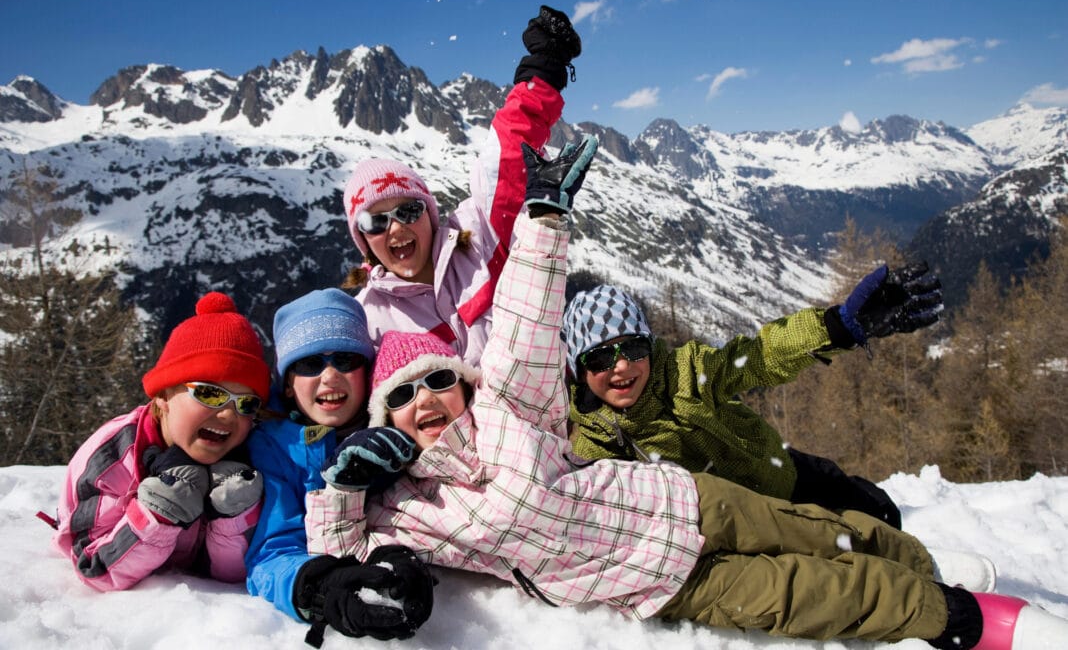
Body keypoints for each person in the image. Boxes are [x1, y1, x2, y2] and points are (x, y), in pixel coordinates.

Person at [303, 140, 1067, 649]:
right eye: (406, 395)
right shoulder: (405, 508)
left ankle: (925, 564)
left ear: (469, 385)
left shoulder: (512, 410)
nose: (430, 397)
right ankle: (957, 617)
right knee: (811, 591)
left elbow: (532, 320)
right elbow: (341, 551)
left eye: (443, 377)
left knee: (837, 529)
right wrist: (343, 482)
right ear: (385, 420)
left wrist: (541, 219)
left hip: (690, 499)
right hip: (664, 581)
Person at [560, 268, 943, 529]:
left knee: (881, 510)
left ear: (650, 346)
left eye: (633, 348)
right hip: (756, 526)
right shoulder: (595, 448)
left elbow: (757, 358)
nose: (622, 366)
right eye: (599, 357)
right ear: (579, 369)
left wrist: (837, 327)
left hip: (785, 471)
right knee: (850, 541)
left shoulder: (688, 371)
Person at [341, 5, 588, 365]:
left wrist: (544, 70)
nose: (396, 227)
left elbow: (502, 164)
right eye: (375, 221)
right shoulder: (366, 320)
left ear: (430, 212)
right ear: (362, 239)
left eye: (409, 209)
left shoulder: (477, 240)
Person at [244, 288, 434, 648]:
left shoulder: (402, 422)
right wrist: (319, 588)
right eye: (309, 363)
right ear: (287, 385)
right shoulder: (274, 449)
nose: (330, 377)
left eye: (346, 360)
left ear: (367, 370)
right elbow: (270, 555)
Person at [53, 292, 269, 592]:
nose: (228, 414)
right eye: (209, 393)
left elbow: (239, 575)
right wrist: (158, 514)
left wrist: (231, 517)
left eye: (246, 403)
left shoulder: (252, 459)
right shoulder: (112, 459)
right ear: (163, 396)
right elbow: (93, 567)